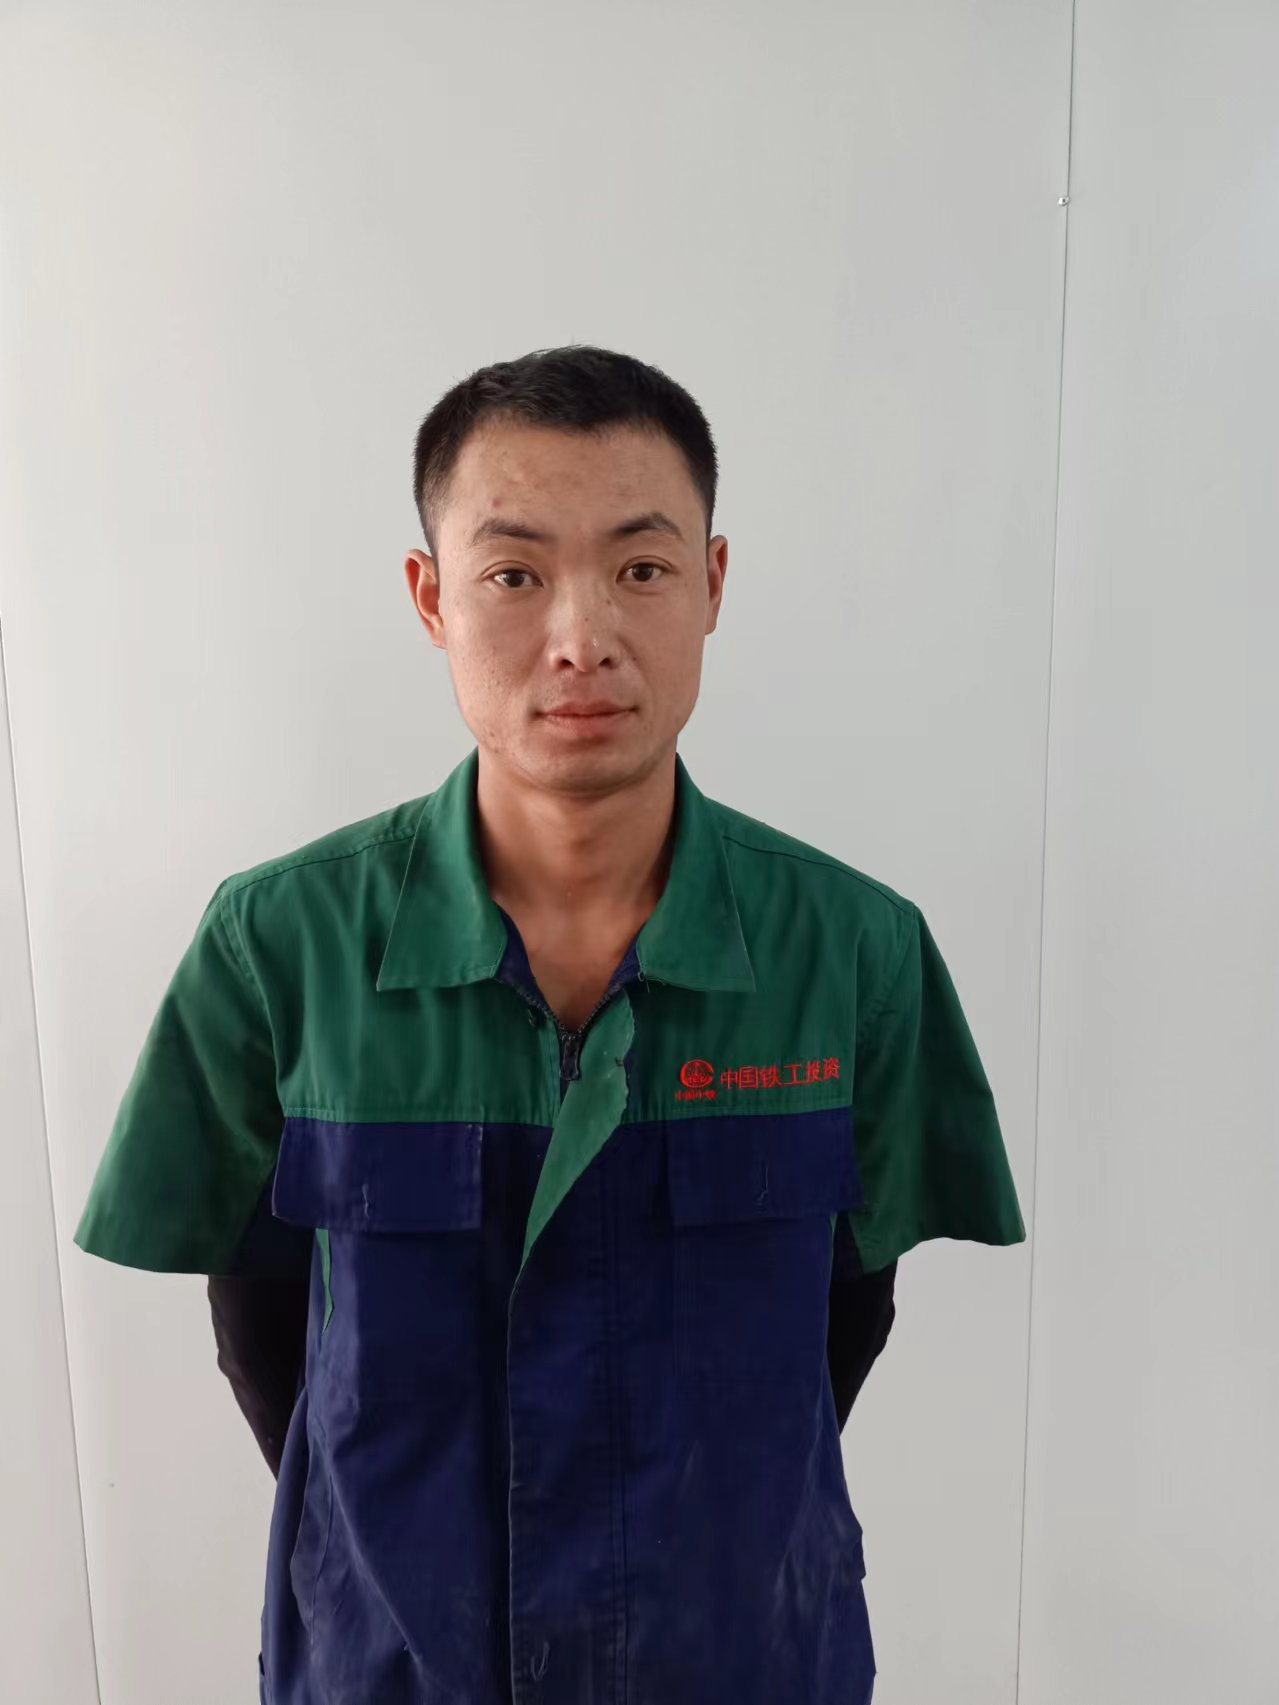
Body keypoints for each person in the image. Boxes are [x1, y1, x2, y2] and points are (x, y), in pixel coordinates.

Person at [75, 344, 1025, 1705]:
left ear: (712, 583)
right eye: (514, 575)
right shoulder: (279, 946)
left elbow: (847, 1313)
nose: (581, 637)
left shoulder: (853, 950)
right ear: (432, 597)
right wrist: (400, 1548)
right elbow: (259, 1317)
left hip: (744, 1661)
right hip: (391, 1667)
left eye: (640, 567)